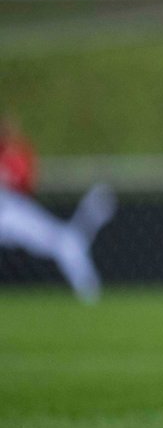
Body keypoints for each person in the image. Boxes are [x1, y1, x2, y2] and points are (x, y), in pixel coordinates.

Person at [0, 116, 116, 303]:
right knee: (67, 242)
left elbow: (26, 182)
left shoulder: (17, 153)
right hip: (10, 212)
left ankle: (88, 288)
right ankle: (88, 289)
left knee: (66, 242)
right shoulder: (13, 153)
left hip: (13, 209)